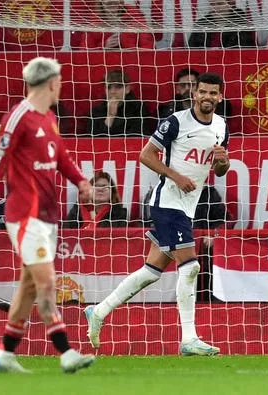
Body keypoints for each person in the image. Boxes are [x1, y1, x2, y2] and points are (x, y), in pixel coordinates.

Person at [0, 57, 96, 374]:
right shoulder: (18, 117)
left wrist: (81, 180)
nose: (61, 86)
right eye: (59, 80)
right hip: (25, 216)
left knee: (30, 286)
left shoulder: (48, 117)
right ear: (51, 82)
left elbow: (60, 154)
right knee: (47, 282)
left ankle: (5, 353)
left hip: (48, 216)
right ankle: (66, 352)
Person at [84, 72, 230, 356]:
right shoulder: (176, 121)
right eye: (203, 92)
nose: (207, 98)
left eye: (213, 93)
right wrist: (175, 176)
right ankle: (189, 338)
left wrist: (223, 162)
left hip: (188, 206)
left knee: (152, 271)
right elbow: (146, 155)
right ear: (195, 94)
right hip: (167, 202)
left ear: (220, 97)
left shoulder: (222, 126)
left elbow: (219, 169)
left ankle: (99, 311)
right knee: (191, 267)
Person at [87, 70, 153, 136]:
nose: (112, 91)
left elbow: (140, 136)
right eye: (109, 87)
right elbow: (93, 141)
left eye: (118, 87)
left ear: (127, 89)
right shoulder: (96, 112)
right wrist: (110, 116)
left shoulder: (138, 109)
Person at [158, 68, 232, 121]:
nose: (187, 88)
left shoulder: (220, 105)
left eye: (191, 84)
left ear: (198, 87)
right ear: (177, 89)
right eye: (183, 85)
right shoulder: (168, 110)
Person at [78, 0, 155, 50]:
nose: (111, 2)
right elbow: (84, 51)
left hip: (132, 63)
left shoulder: (135, 16)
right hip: (104, 66)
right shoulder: (94, 22)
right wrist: (104, 45)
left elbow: (148, 46)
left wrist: (125, 42)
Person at [62, 171, 128, 229]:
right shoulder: (77, 210)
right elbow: (66, 232)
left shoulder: (120, 213)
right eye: (96, 186)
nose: (100, 189)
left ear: (112, 192)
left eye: (104, 186)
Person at [188, 0, 256, 48]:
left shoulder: (241, 24)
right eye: (212, 4)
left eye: (220, 4)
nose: (216, 8)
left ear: (229, 5)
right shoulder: (200, 25)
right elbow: (191, 50)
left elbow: (247, 49)